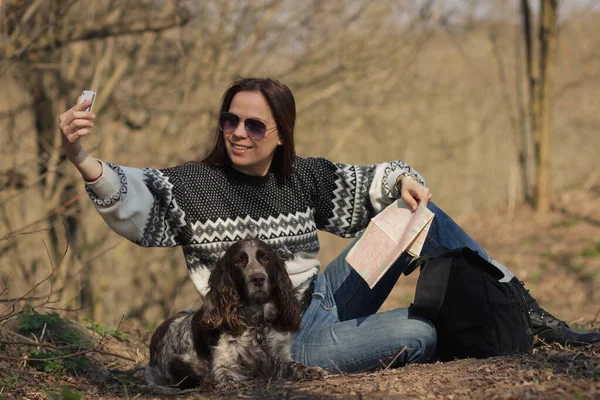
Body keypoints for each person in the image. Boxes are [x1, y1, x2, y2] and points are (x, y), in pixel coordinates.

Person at [58, 78, 599, 373]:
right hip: (275, 340)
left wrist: (406, 180)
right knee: (419, 332)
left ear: (279, 134)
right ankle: (456, 331)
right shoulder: (192, 186)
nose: (238, 132)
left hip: (326, 298)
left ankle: (521, 307)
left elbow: (376, 180)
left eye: (253, 124)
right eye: (230, 119)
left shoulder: (303, 176)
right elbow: (131, 200)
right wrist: (80, 153)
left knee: (415, 210)